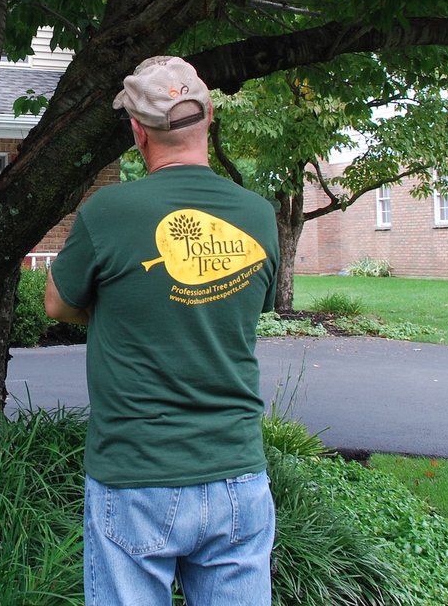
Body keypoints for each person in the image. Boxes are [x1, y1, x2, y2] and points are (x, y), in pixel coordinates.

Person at [44, 56, 279, 606]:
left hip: (136, 474)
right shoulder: (258, 215)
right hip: (237, 477)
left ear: (136, 133)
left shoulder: (110, 210)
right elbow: (249, 308)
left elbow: (58, 303)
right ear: (210, 115)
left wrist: (114, 311)